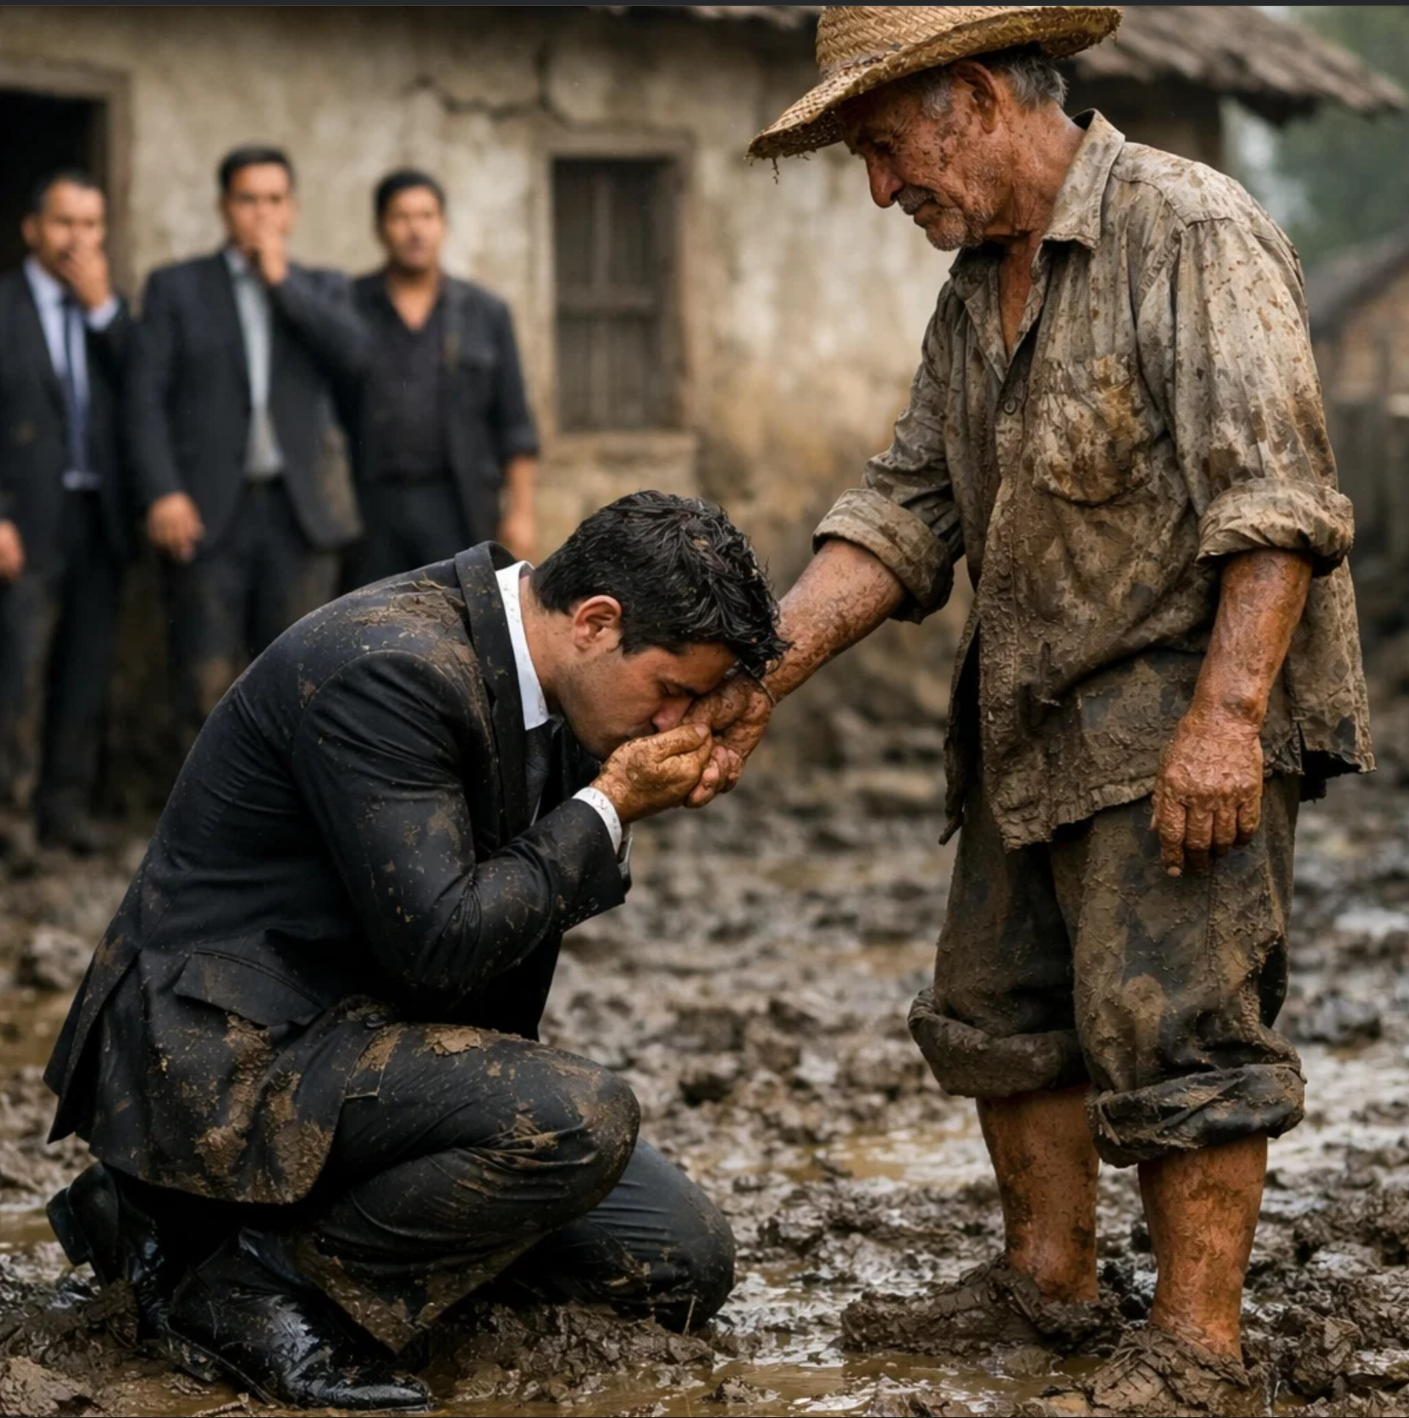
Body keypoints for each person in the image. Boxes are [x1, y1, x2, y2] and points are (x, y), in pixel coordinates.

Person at [690, 8, 1375, 1415]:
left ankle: (1194, 1347)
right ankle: (1048, 1281)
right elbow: (902, 509)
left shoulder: (1189, 227)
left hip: (1180, 711)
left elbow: (1280, 503)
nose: (882, 190)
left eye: (885, 150)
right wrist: (750, 679)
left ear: (979, 98)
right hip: (1032, 713)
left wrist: (1224, 721)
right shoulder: (974, 293)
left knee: (1181, 1031)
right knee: (998, 1006)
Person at [43, 492, 784, 1411]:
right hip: (228, 1053)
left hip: (358, 1037)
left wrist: (718, 707)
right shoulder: (390, 669)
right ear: (598, 622)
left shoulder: (555, 677)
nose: (673, 722)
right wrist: (607, 808)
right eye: (672, 692)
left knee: (678, 1261)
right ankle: (254, 1286)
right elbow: (443, 941)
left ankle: (178, 1227)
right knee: (575, 1118)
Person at [129, 145, 367, 750]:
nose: (261, 213)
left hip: (300, 514)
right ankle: (203, 833)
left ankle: (286, 827)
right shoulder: (176, 288)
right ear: (223, 207)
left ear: (292, 210)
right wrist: (162, 491)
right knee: (203, 676)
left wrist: (281, 281)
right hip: (209, 512)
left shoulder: (323, 286)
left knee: (301, 676)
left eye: (274, 200)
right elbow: (145, 399)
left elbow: (356, 358)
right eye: (247, 199)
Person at [0, 170, 133, 859]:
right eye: (63, 223)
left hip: (98, 519)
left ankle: (66, 808)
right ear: (32, 229)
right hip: (25, 520)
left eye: (90, 224)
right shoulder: (6, 308)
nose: (76, 238)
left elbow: (146, 392)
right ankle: (11, 817)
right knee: (18, 670)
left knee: (86, 670)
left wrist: (105, 307)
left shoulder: (110, 312)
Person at [342, 168, 539, 587]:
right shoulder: (349, 306)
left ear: (443, 225)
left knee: (460, 620)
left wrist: (521, 513)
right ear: (380, 228)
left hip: (458, 502)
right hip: (371, 507)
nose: (416, 230)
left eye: (427, 216)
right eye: (401, 217)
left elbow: (515, 423)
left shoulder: (484, 312)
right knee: (371, 625)